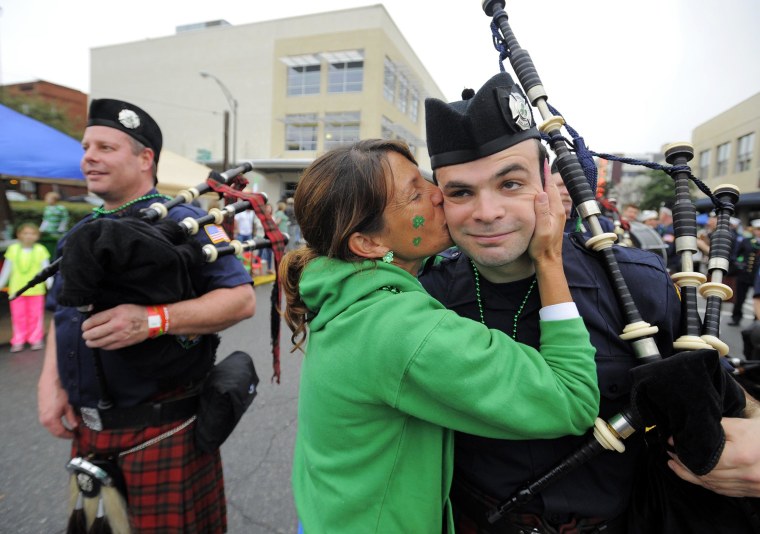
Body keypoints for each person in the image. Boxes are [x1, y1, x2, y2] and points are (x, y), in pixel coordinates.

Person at [280, 138, 601, 533]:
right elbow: (571, 398)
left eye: (429, 181)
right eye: (416, 195)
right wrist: (549, 258)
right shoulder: (399, 329)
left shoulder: (345, 289)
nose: (440, 195)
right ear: (368, 244)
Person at [420, 72, 682, 533]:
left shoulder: (636, 285)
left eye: (510, 184)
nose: (486, 212)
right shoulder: (427, 297)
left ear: (548, 181)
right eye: (461, 192)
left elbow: (714, 396)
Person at [37, 98, 255, 532]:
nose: (89, 158)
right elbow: (61, 313)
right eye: (86, 147)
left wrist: (152, 319)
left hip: (163, 430)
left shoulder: (192, 222)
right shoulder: (78, 233)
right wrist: (51, 381)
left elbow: (241, 299)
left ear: (145, 158)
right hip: (91, 429)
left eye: (105, 147)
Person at [0, 222, 51, 352]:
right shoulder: (13, 249)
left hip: (36, 290)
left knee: (36, 315)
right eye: (25, 233)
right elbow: (7, 269)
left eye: (32, 233)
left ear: (37, 236)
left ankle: (35, 339)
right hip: (16, 290)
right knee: (18, 316)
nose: (28, 236)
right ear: (19, 234)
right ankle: (18, 339)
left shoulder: (41, 249)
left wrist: (50, 284)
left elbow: (46, 269)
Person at [729, 219, 760, 326]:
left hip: (758, 277)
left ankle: (757, 320)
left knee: (758, 299)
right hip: (744, 274)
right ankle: (736, 318)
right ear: (754, 230)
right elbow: (735, 255)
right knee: (740, 298)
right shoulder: (746, 241)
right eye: (758, 229)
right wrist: (739, 264)